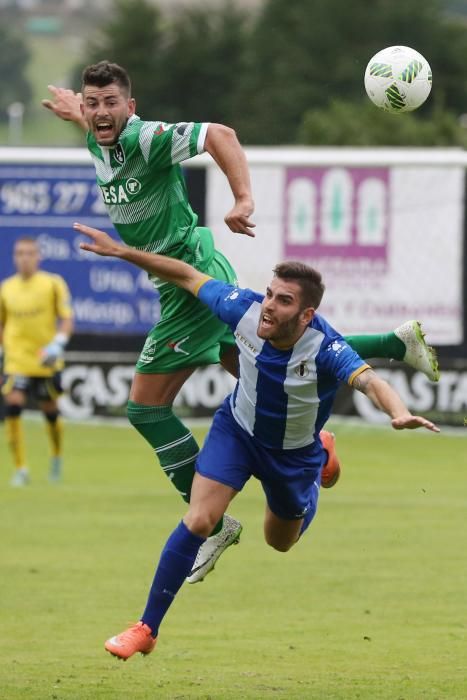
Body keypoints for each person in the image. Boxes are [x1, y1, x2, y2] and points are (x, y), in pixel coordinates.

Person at [42, 62, 439, 583]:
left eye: (111, 103)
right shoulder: (101, 132)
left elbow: (220, 135)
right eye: (92, 104)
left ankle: (212, 525)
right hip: (188, 278)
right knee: (266, 369)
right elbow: (93, 118)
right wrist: (79, 110)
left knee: (144, 407)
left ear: (131, 107)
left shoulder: (146, 138)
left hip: (191, 285)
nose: (100, 113)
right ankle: (384, 356)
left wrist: (243, 198)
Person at [74, 222, 439, 661]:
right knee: (199, 519)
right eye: (269, 293)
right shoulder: (242, 309)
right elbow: (186, 275)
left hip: (292, 457)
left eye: (283, 301)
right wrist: (122, 252)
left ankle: (322, 454)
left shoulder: (326, 347)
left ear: (306, 315)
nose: (268, 306)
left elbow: (370, 381)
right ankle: (146, 628)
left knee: (279, 541)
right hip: (237, 433)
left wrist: (398, 412)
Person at [0, 237, 73, 485]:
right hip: (16, 359)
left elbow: (66, 318)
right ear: (14, 257)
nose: (24, 258)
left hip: (44, 359)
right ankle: (20, 468)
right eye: (19, 253)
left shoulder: (52, 284)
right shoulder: (6, 288)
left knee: (49, 411)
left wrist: (58, 343)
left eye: (29, 253)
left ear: (38, 256)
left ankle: (56, 456)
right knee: (13, 404)